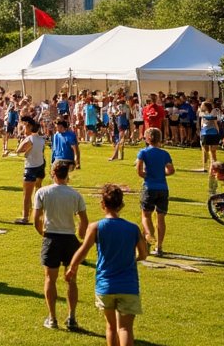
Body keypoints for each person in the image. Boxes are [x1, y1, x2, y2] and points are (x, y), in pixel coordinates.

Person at [66, 184, 147, 346]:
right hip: (128, 285)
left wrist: (72, 267)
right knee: (125, 328)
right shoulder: (133, 228)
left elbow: (83, 249)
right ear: (121, 205)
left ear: (103, 204)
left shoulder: (96, 227)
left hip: (105, 285)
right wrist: (134, 259)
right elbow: (143, 254)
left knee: (111, 326)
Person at [34, 160, 89, 331]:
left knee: (50, 279)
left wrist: (43, 233)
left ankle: (52, 318)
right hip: (70, 239)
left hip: (51, 238)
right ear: (67, 175)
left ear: (53, 174)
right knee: (71, 281)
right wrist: (80, 236)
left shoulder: (43, 192)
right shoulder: (75, 195)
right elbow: (84, 221)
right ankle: (72, 317)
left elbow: (36, 219)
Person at [134, 128, 174, 257]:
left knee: (146, 216)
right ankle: (159, 246)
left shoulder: (143, 152)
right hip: (163, 188)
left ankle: (149, 237)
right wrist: (161, 174)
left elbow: (139, 171)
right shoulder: (164, 153)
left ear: (147, 138)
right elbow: (171, 170)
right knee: (161, 218)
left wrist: (148, 175)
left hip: (149, 187)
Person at [14, 118, 48, 225]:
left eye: (25, 127)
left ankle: (25, 217)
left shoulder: (29, 139)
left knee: (27, 195)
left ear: (29, 127)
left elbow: (19, 150)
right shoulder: (42, 139)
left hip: (31, 168)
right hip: (40, 166)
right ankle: (40, 214)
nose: (23, 129)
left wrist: (21, 142)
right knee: (38, 191)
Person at [198, 101, 221, 169]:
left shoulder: (213, 111)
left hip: (210, 133)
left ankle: (211, 167)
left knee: (211, 152)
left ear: (206, 106)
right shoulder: (202, 113)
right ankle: (206, 167)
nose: (201, 106)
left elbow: (214, 120)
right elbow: (202, 124)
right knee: (207, 151)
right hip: (206, 133)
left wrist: (217, 131)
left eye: (202, 105)